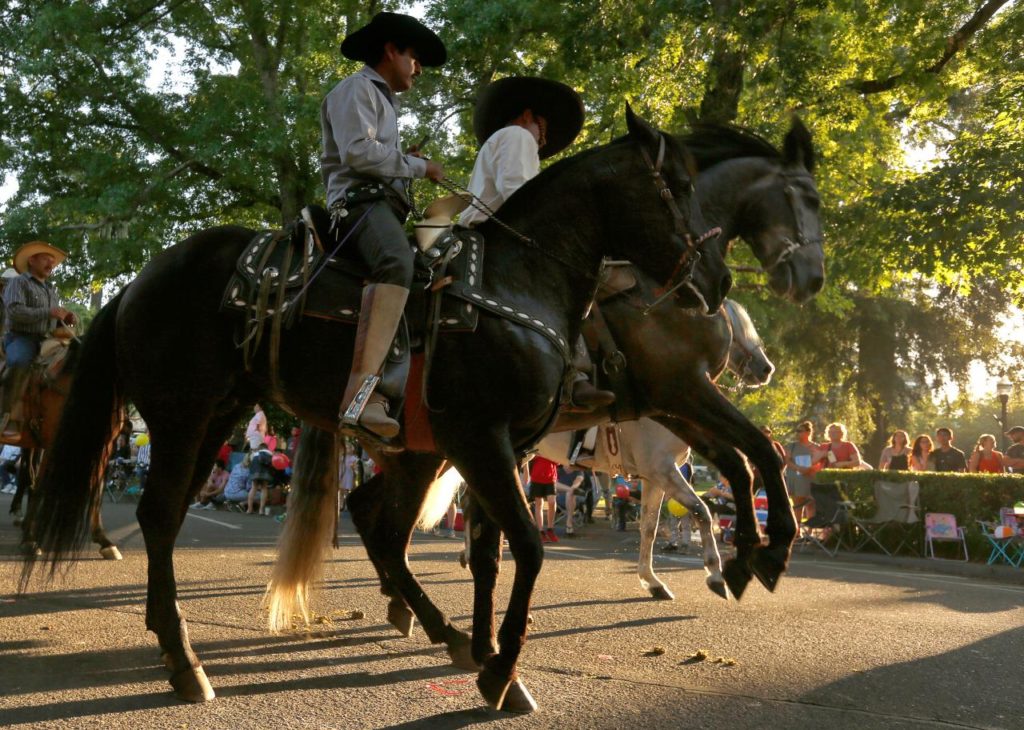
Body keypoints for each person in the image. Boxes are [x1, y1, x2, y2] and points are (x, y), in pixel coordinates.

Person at [323, 12, 447, 439]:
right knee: (396, 261)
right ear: (391, 51)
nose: (419, 67)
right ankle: (362, 399)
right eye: (414, 56)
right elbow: (358, 154)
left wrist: (400, 164)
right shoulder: (355, 89)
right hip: (356, 207)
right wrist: (417, 166)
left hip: (378, 206)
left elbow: (372, 153)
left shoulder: (381, 101)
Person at [460, 75, 613, 412]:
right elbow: (518, 193)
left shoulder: (500, 140)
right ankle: (573, 376)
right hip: (497, 239)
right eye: (542, 132)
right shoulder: (517, 135)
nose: (542, 142)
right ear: (527, 115)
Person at [1, 241, 77, 440]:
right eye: (46, 259)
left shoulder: (50, 289)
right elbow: (15, 312)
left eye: (53, 261)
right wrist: (48, 312)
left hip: (47, 340)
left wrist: (65, 319)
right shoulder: (18, 282)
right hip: (20, 337)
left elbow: (52, 319)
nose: (51, 264)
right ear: (32, 260)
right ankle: (6, 417)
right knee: (18, 362)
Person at [785, 421, 819, 523]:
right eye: (797, 431)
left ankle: (810, 531)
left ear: (808, 432)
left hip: (810, 479)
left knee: (811, 504)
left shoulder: (816, 447)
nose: (798, 433)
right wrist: (798, 468)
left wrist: (809, 468)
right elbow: (787, 460)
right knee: (797, 506)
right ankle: (797, 530)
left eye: (800, 431)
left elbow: (820, 462)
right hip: (796, 479)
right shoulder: (792, 446)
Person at [528, 454, 560, 543]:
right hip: (536, 478)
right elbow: (530, 457)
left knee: (552, 502)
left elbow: (559, 461)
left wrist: (550, 455)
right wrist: (538, 455)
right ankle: (540, 531)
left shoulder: (552, 446)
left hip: (551, 478)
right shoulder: (537, 444)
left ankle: (550, 529)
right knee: (539, 504)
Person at [246, 443, 275, 514]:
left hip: (255, 473)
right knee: (264, 488)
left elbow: (250, 463)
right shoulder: (270, 454)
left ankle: (249, 509)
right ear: (266, 448)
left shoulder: (255, 454)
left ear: (260, 447)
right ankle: (261, 510)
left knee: (253, 488)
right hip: (265, 473)